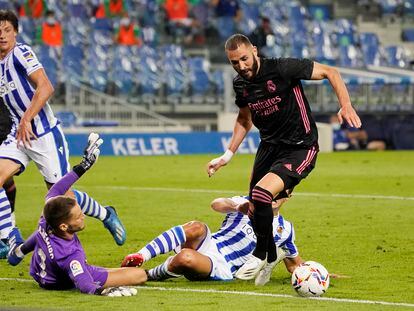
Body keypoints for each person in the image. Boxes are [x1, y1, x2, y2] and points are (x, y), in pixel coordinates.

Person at [206, 34, 361, 282]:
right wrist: (227, 155)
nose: (241, 66)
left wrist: (346, 105)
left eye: (244, 59)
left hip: (301, 146)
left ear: (254, 51)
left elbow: (331, 72)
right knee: (255, 209)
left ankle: (262, 254)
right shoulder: (241, 85)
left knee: (261, 194)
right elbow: (244, 120)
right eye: (235, 62)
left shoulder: (282, 68)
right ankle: (272, 254)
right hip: (269, 148)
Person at [0, 10, 126, 258]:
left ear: (16, 32)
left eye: (7, 30)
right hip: (18, 134)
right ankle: (10, 236)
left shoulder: (21, 53)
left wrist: (27, 118)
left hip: (44, 133)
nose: (2, 36)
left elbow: (46, 86)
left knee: (61, 201)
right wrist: (20, 123)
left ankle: (106, 213)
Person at [7, 134, 147, 296]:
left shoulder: (48, 217)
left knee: (42, 236)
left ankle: (17, 251)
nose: (84, 217)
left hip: (41, 273)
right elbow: (85, 284)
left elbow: (58, 188)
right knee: (139, 275)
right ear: (64, 226)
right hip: (59, 282)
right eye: (78, 217)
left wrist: (83, 166)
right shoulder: (71, 254)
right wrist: (105, 291)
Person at [121, 195, 303, 286]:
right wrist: (238, 207)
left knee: (186, 258)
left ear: (288, 196)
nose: (275, 197)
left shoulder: (285, 230)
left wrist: (314, 273)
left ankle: (149, 274)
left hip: (222, 265)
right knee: (197, 227)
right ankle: (140, 255)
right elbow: (216, 204)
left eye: (281, 194)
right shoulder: (247, 201)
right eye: (273, 191)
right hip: (210, 243)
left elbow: (294, 265)